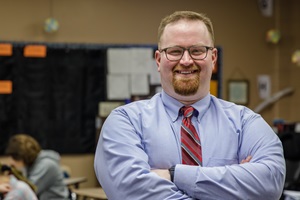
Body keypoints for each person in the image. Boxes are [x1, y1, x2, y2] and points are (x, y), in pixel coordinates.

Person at [94, 11, 286, 200]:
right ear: (159, 60)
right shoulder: (126, 122)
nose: (186, 61)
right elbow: (130, 190)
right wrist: (233, 181)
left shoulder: (245, 122)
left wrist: (174, 174)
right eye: (175, 51)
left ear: (213, 58)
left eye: (197, 51)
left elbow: (270, 184)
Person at [5, 134, 69, 200]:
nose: (11, 162)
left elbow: (28, 189)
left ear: (22, 156)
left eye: (14, 157)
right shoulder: (30, 164)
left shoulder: (46, 165)